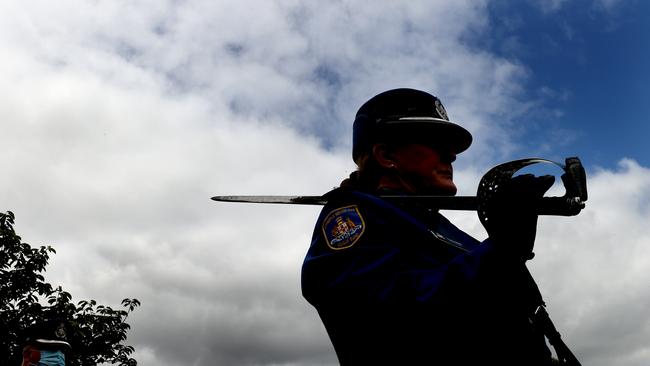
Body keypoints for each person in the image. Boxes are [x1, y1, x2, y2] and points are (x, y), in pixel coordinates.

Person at [301, 88, 557, 365]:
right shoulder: (351, 218)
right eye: (435, 142)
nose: (452, 156)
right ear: (386, 155)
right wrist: (503, 249)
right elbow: (392, 319)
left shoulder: (434, 224)